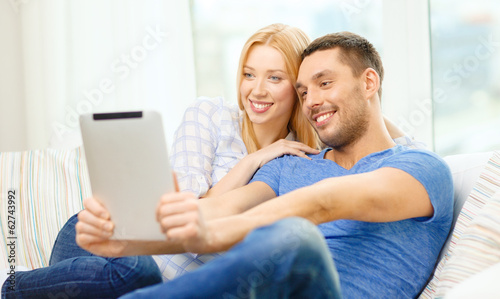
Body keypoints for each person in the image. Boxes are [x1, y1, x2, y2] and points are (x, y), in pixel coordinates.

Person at [0, 27, 420, 298]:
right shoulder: (212, 117)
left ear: (296, 91)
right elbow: (193, 207)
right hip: (118, 241)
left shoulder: (303, 151)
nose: (257, 90)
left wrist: (363, 96)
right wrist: (255, 157)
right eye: (248, 74)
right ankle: (11, 287)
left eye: (276, 78)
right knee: (136, 271)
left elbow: (395, 148)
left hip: (167, 272)